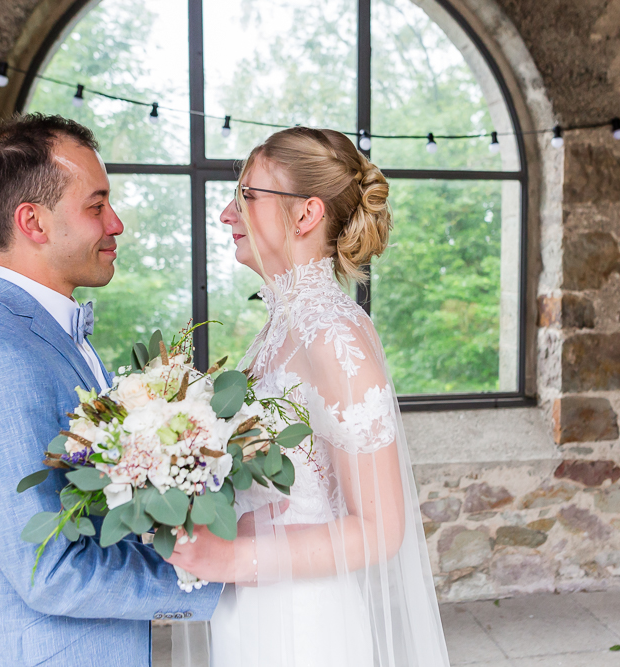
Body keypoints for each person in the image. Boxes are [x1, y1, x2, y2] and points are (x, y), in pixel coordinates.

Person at [0, 113, 222, 667]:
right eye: (96, 205)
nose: (117, 223)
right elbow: (50, 571)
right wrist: (221, 583)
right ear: (33, 223)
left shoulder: (48, 335)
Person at [164, 127, 450, 666]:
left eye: (246, 196)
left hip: (303, 626)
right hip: (248, 609)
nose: (227, 214)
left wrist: (229, 558)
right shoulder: (280, 326)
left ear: (305, 215)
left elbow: (381, 530)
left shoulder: (335, 335)